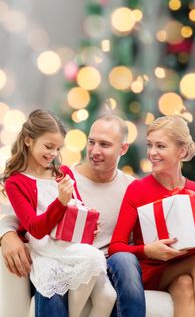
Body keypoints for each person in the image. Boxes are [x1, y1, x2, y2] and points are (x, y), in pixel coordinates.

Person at [0, 113, 146, 317]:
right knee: (59, 280)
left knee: (108, 294)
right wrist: (5, 234)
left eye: (104, 144)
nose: (95, 151)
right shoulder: (58, 175)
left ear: (123, 149)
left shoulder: (131, 187)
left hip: (86, 252)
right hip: (53, 250)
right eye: (91, 142)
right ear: (28, 140)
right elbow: (25, 222)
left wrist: (89, 222)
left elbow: (78, 208)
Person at [108, 115, 195, 317]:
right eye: (150, 145)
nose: (152, 153)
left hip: (181, 269)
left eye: (160, 146)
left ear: (182, 151)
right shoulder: (138, 189)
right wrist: (147, 251)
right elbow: (116, 246)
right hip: (150, 270)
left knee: (185, 284)